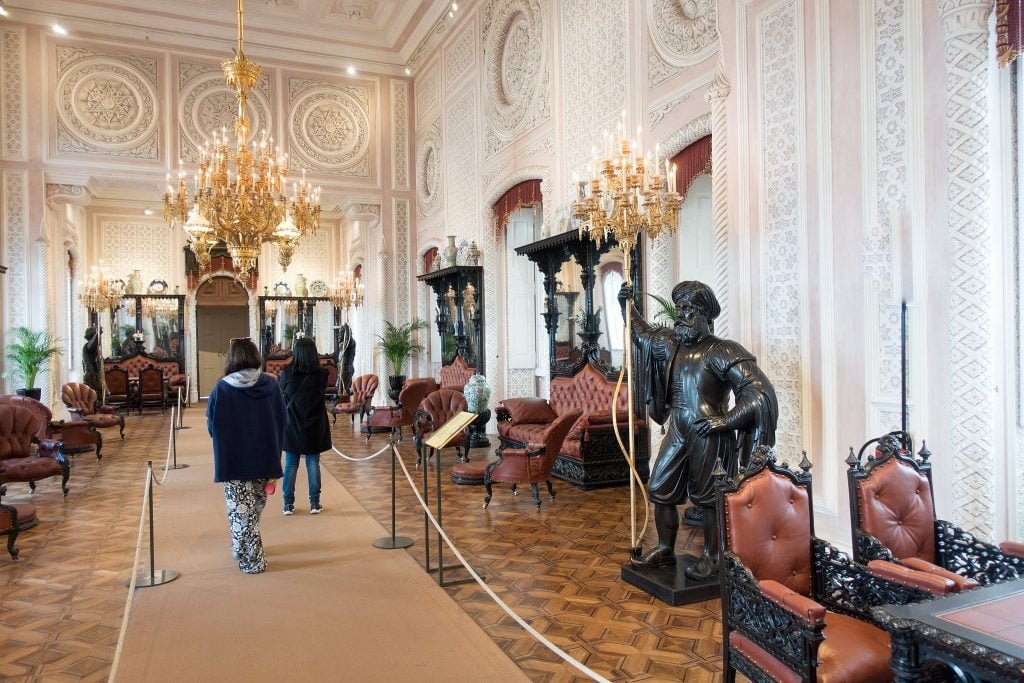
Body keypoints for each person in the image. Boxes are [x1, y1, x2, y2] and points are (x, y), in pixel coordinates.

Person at [621, 281, 778, 581]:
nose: (681, 315)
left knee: (709, 497)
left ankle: (713, 556)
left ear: (706, 314)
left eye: (688, 310)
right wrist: (626, 305)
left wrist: (727, 420)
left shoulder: (721, 351)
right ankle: (666, 548)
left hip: (709, 432)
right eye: (679, 309)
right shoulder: (670, 344)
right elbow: (640, 334)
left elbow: (758, 391)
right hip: (678, 428)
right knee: (659, 487)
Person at [206, 337, 285, 574]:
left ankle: (254, 560)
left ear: (232, 359)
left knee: (243, 511)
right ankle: (241, 546)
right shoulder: (270, 386)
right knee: (252, 509)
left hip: (234, 459)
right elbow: (283, 420)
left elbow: (212, 425)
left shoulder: (222, 388)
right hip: (265, 457)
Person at [278, 336, 332, 515]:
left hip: (292, 424)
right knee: (313, 463)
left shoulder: (286, 373)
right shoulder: (322, 374)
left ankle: (288, 504)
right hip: (314, 423)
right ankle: (315, 503)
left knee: (291, 464)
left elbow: (281, 392)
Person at [82, 327, 101, 395]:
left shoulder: (89, 347)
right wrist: (98, 334)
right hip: (91, 375)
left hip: (93, 374)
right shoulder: (88, 346)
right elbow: (92, 344)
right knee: (99, 394)